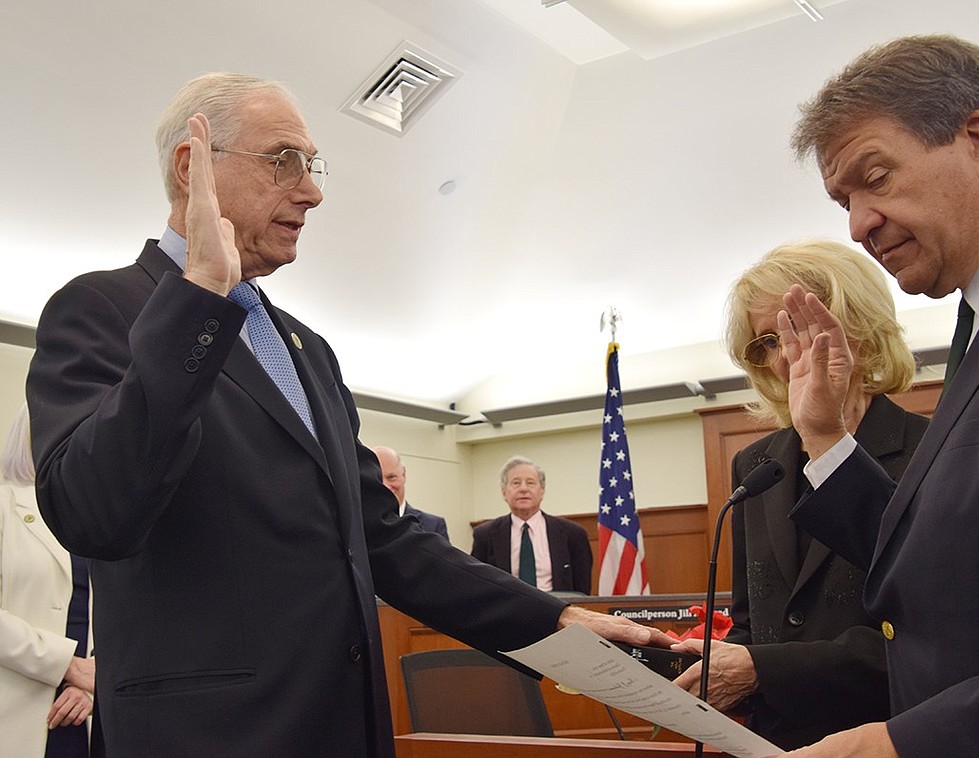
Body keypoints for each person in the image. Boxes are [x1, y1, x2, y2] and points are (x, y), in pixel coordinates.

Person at [25, 72, 671, 758]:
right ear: (193, 168)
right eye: (285, 162)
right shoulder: (99, 310)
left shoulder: (307, 348)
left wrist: (554, 617)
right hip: (209, 737)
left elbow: (380, 538)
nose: (312, 191)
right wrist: (198, 300)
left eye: (312, 166)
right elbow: (93, 512)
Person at [772, 35, 979, 756]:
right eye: (845, 200)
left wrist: (909, 743)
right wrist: (827, 439)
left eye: (876, 178)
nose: (858, 225)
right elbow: (959, 562)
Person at [670, 240, 928, 749]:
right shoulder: (754, 464)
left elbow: (932, 637)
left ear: (859, 323)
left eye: (798, 327)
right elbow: (751, 624)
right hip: (773, 741)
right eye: (766, 341)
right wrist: (708, 669)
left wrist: (762, 669)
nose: (785, 356)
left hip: (886, 738)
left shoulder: (934, 450)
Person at [0, 404, 100, 757]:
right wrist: (68, 666)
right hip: (15, 716)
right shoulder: (4, 506)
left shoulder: (104, 523)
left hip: (84, 716)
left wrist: (93, 681)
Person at [471, 455, 593, 594]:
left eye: (530, 483)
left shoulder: (573, 534)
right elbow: (477, 585)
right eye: (516, 483)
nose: (523, 489)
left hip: (556, 610)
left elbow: (582, 591)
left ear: (542, 491)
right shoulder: (485, 535)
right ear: (504, 492)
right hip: (506, 612)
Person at [370, 446, 449, 541]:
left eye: (391, 477)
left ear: (404, 475)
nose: (386, 486)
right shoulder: (360, 526)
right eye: (378, 479)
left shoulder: (433, 527)